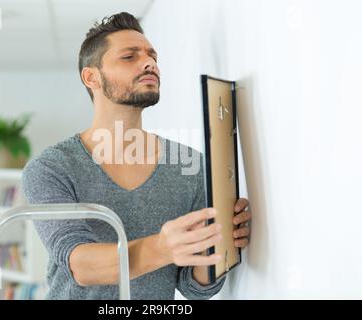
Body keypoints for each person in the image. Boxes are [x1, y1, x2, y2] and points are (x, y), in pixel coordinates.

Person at [22, 12, 251, 300]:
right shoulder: (51, 168)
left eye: (152, 56)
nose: (149, 63)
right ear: (91, 77)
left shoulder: (188, 165)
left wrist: (215, 244)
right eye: (129, 56)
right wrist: (163, 247)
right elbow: (80, 265)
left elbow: (192, 286)